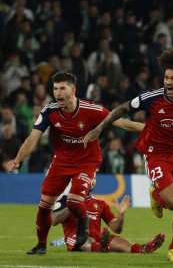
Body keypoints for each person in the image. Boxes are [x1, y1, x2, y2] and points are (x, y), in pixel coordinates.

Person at [83, 47, 173, 262]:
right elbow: (121, 109)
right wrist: (98, 129)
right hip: (155, 153)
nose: (168, 82)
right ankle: (156, 194)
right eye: (166, 77)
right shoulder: (151, 97)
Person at [3, 71, 144, 255]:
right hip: (61, 162)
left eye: (62, 88)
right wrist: (17, 160)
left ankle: (83, 223)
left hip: (87, 162)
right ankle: (41, 245)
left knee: (74, 201)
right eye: (55, 89)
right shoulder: (49, 111)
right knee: (44, 206)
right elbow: (33, 138)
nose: (58, 93)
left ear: (73, 90)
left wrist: (151, 130)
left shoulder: (91, 110)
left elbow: (123, 123)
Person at [52, 177, 165, 253]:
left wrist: (121, 215)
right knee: (87, 241)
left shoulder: (100, 204)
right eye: (89, 177)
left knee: (122, 242)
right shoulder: (65, 199)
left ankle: (144, 248)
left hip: (99, 238)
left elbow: (117, 228)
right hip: (77, 238)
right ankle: (101, 247)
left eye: (94, 178)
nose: (91, 181)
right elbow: (53, 220)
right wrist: (71, 205)